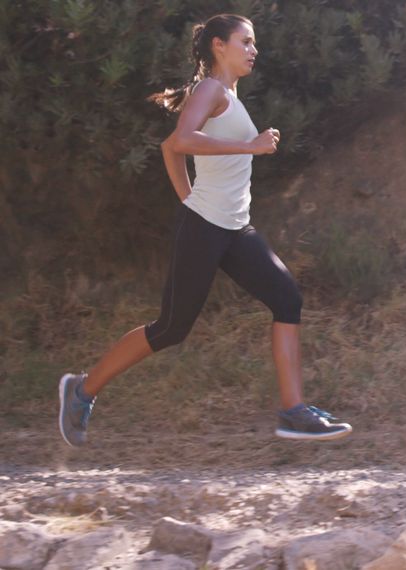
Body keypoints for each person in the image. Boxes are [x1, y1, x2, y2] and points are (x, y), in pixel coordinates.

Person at [58, 14, 351, 446]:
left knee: (287, 297)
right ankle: (81, 390)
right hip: (205, 227)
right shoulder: (210, 90)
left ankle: (294, 412)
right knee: (171, 328)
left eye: (254, 43)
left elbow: (169, 147)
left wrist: (187, 194)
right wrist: (238, 157)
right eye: (246, 41)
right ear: (219, 45)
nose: (254, 50)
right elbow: (182, 140)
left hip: (234, 227)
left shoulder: (228, 94)